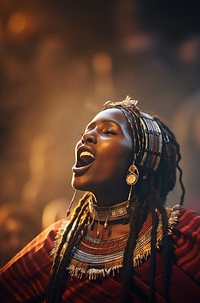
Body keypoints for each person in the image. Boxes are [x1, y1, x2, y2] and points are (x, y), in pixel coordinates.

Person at [0, 96, 200, 302]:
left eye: (108, 131)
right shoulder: (54, 245)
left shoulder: (185, 236)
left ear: (138, 160)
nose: (87, 137)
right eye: (87, 131)